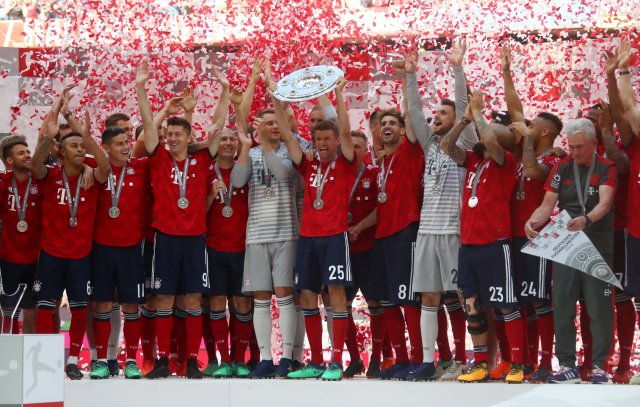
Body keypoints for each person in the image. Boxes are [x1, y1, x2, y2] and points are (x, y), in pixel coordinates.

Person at [136, 60, 227, 379]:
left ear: (189, 138)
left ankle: (189, 359)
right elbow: (149, 125)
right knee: (164, 297)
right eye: (169, 134)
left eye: (177, 134)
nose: (171, 138)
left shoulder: (202, 158)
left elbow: (218, 124)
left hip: (194, 238)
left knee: (191, 298)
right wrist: (142, 89)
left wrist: (226, 91)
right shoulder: (158, 157)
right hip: (165, 238)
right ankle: (163, 359)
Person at [401, 39, 477, 381]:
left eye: (443, 114)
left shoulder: (463, 143)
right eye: (438, 114)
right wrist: (410, 75)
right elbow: (414, 113)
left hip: (454, 231)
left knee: (460, 296)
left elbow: (463, 107)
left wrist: (457, 68)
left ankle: (464, 358)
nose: (437, 117)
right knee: (429, 296)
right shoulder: (429, 146)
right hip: (427, 232)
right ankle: (430, 362)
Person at [440, 91, 524, 383]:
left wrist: (477, 114)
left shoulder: (506, 161)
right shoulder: (474, 162)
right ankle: (479, 364)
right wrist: (464, 120)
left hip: (495, 243)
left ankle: (517, 364)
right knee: (472, 304)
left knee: (506, 303)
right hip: (469, 244)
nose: (485, 138)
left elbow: (490, 141)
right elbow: (446, 144)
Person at [276, 78, 356, 380]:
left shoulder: (346, 162)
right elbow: (287, 134)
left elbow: (346, 130)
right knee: (307, 295)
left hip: (335, 237)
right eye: (318, 140)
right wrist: (278, 101)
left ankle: (336, 361)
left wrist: (337, 95)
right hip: (308, 239)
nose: (321, 144)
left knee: (335, 293)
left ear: (336, 142)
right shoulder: (307, 164)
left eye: (327, 139)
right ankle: (316, 361)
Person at [525, 118, 616, 384]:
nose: (574, 152)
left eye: (580, 147)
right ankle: (567, 366)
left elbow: (606, 202)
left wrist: (587, 219)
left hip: (597, 243)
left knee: (599, 308)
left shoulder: (606, 166)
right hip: (566, 245)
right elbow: (546, 204)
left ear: (594, 144)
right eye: (571, 146)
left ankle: (600, 366)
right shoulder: (562, 167)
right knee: (562, 305)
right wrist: (534, 221)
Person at [501, 44, 564, 383]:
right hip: (510, 233)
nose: (522, 126)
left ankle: (544, 362)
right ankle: (520, 362)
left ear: (544, 133)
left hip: (539, 238)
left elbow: (533, 170)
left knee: (540, 301)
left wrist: (525, 141)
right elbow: (515, 112)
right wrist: (508, 73)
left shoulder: (557, 157)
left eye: (532, 125)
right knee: (519, 302)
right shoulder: (519, 147)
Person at [31, 109, 110, 380]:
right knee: (45, 306)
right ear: (61, 153)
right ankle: (44, 361)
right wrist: (46, 140)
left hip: (81, 254)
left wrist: (88, 141)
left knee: (78, 308)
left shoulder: (92, 178)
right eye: (74, 147)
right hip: (51, 252)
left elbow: (106, 168)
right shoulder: (51, 176)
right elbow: (35, 166)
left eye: (82, 146)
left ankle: (74, 360)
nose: (80, 150)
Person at [230, 97, 299, 378]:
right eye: (267, 123)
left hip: (286, 233)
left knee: (284, 294)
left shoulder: (290, 150)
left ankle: (286, 358)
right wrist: (247, 147)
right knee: (260, 297)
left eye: (275, 122)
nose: (272, 126)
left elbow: (284, 173)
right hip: (256, 235)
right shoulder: (252, 152)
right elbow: (237, 181)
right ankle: (266, 358)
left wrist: (266, 146)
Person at [87, 126, 149, 380]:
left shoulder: (141, 167)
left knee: (131, 306)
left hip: (131, 248)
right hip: (100, 248)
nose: (126, 147)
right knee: (102, 304)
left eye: (127, 142)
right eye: (119, 143)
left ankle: (132, 361)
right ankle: (101, 360)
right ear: (107, 148)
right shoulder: (95, 169)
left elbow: (150, 137)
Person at [371, 106, 425, 380]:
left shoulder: (410, 152)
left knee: (408, 300)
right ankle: (401, 359)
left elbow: (414, 120)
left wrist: (408, 79)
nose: (387, 127)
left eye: (392, 123)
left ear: (403, 130)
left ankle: (418, 358)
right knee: (387, 301)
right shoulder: (379, 163)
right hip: (381, 237)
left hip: (406, 232)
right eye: (383, 124)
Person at [204, 128, 252, 378]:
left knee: (243, 303)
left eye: (232, 139)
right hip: (213, 248)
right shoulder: (205, 171)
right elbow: (196, 213)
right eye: (223, 138)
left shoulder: (246, 169)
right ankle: (223, 360)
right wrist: (212, 194)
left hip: (243, 248)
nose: (228, 142)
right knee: (215, 302)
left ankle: (240, 360)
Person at [0, 135, 44, 335]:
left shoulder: (41, 180)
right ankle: (7, 357)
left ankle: (29, 358)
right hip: (8, 257)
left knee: (32, 310)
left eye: (28, 151)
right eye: (21, 153)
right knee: (8, 310)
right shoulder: (3, 182)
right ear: (9, 160)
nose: (27, 155)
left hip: (37, 257)